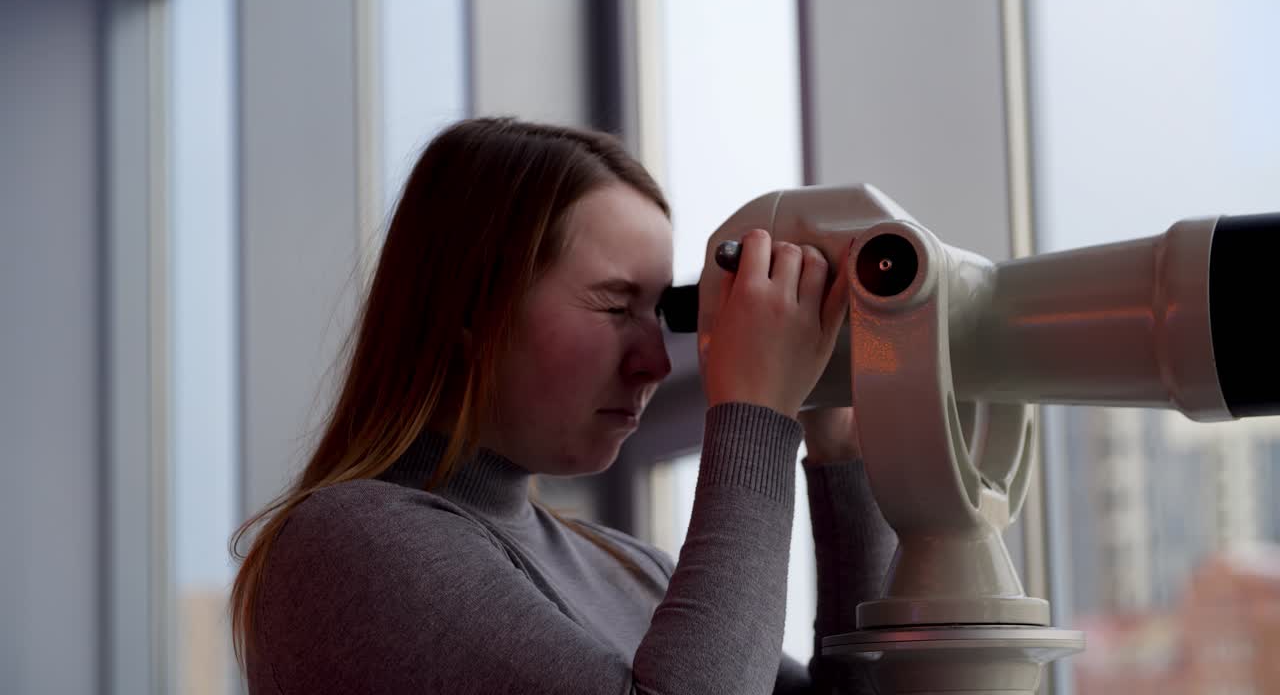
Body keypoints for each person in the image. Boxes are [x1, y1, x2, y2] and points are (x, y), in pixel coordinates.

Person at [230, 117, 896, 694]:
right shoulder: (346, 545)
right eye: (614, 307)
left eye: (658, 311)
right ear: (472, 309)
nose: (657, 363)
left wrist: (842, 456)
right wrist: (757, 414)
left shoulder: (632, 569)